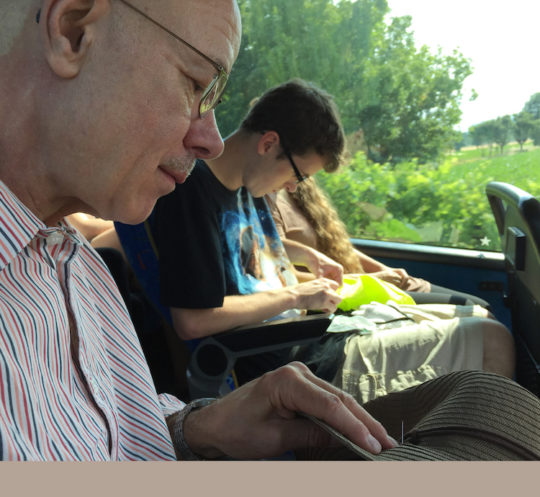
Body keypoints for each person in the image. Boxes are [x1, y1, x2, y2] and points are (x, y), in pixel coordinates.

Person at [1, 0, 537, 462]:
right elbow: (193, 321)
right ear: (72, 30)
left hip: (270, 376)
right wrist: (299, 293)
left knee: (491, 408)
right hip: (283, 349)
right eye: (193, 83)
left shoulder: (77, 269)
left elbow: (112, 439)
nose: (210, 139)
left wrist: (195, 429)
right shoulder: (167, 209)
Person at [116, 78, 515, 397]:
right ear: (268, 142)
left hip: (321, 333)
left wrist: (305, 254)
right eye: (299, 174)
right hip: (298, 366)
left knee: (476, 315)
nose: (294, 187)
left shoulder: (245, 184)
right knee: (492, 341)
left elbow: (240, 244)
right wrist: (299, 296)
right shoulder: (191, 196)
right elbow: (193, 320)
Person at [266, 177, 490, 307]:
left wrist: (383, 270)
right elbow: (284, 276)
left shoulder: (300, 185)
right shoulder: (267, 200)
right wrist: (371, 279)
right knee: (477, 311)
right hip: (349, 294)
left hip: (368, 282)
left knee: (480, 306)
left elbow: (336, 244)